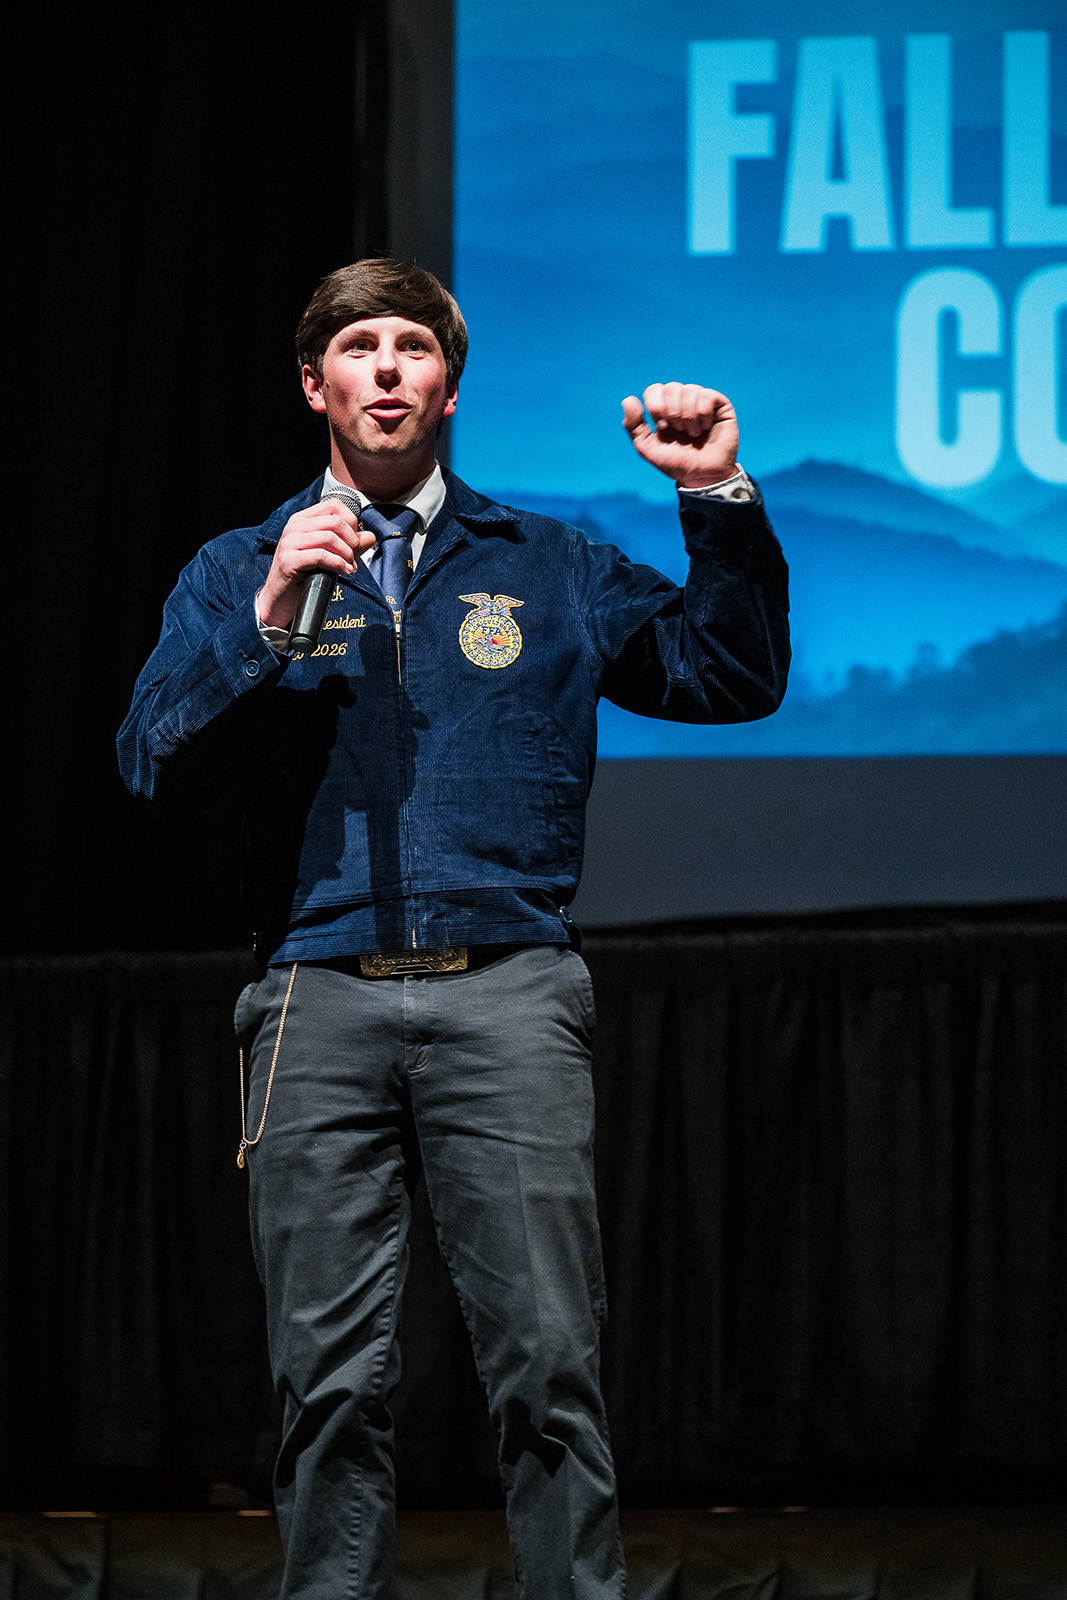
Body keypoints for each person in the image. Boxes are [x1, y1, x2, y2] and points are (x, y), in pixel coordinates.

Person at [117, 258, 789, 1600]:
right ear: (315, 386)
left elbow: (728, 676)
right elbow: (153, 767)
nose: (386, 368)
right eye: (358, 347)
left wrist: (715, 496)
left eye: (412, 347)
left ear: (450, 387)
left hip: (509, 989)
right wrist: (263, 627)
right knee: (326, 1385)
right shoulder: (238, 567)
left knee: (549, 1369)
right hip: (317, 995)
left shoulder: (547, 562)